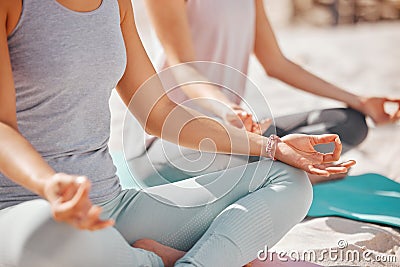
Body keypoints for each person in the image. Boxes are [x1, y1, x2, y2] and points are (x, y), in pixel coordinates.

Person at [0, 0, 355, 266]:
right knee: (42, 239)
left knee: (288, 180)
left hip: (113, 207)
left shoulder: (115, 5)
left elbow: (159, 112)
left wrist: (271, 146)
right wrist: (49, 185)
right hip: (27, 210)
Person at [126, 0, 400, 186]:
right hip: (178, 136)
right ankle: (286, 171)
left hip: (240, 132)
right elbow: (183, 68)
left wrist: (359, 101)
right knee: (216, 158)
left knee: (348, 124)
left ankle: (277, 171)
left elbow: (276, 63)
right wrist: (224, 108)